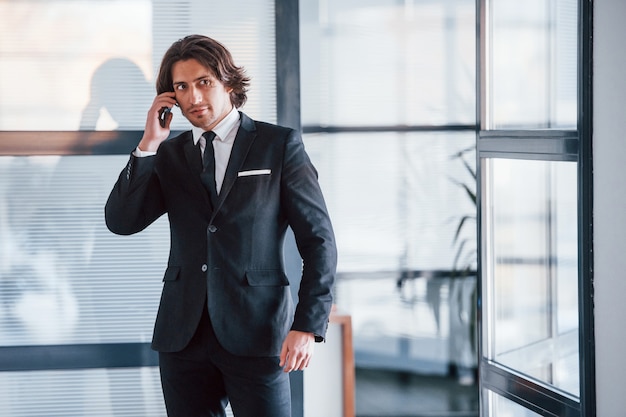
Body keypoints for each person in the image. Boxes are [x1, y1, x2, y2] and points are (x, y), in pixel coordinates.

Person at [104, 34, 337, 417]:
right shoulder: (169, 155)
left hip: (258, 334)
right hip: (183, 337)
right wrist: (148, 144)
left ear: (228, 82)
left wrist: (308, 325)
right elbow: (121, 222)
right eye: (181, 87)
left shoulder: (277, 145)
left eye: (203, 82)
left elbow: (319, 241)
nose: (193, 97)